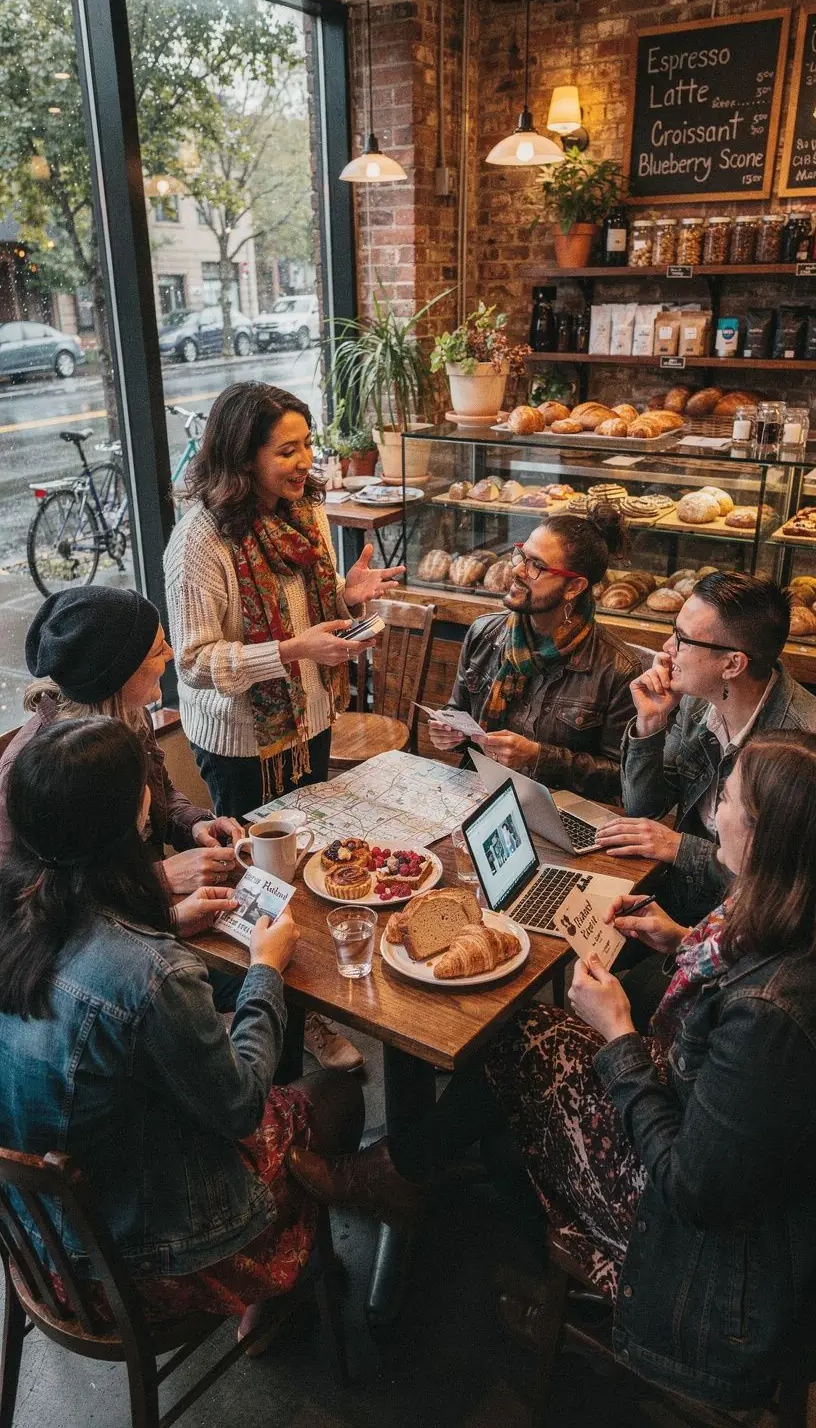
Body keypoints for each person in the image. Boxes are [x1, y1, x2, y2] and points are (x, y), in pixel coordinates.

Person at [287, 731, 816, 1409]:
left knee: (514, 1057)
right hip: (705, 1131)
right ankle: (404, 1174)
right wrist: (680, 939)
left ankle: (406, 1184)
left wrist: (619, 1034)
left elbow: (690, 1188)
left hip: (697, 1249)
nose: (712, 815)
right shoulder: (784, 913)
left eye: (729, 802)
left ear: (766, 836)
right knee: (519, 1034)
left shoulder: (773, 1018)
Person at [0, 717, 364, 1346]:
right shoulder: (150, 972)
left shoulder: (18, 925)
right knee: (337, 1096)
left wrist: (165, 922)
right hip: (143, 1269)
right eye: (144, 786)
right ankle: (281, 1286)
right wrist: (265, 970)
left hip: (41, 1244)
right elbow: (240, 1107)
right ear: (130, 820)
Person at [164, 381, 401, 1073]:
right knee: (261, 884)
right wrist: (295, 650)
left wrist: (347, 597)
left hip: (309, 717)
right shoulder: (200, 540)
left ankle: (311, 1000)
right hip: (243, 740)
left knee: (309, 862)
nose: (305, 462)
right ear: (243, 456)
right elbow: (195, 662)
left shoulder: (303, 511)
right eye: (287, 450)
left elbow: (310, 607)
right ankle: (281, 1018)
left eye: (308, 445)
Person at [594, 571, 816, 951]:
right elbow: (644, 809)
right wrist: (650, 724)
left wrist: (679, 848)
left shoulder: (799, 750)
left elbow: (784, 888)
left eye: (682, 639)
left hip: (747, 939)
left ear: (732, 665)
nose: (667, 648)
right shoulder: (698, 701)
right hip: (677, 905)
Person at [0, 586, 243, 895]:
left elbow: (161, 793)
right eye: (157, 650)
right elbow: (23, 897)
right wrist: (158, 878)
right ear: (118, 676)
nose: (171, 653)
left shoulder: (131, 712)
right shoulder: (28, 772)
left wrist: (194, 824)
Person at [427, 508, 641, 803]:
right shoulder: (484, 634)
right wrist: (448, 733)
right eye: (521, 556)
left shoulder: (618, 668)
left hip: (560, 808)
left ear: (574, 587)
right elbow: (457, 711)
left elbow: (621, 778)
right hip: (481, 791)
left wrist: (538, 757)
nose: (516, 571)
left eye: (537, 566)